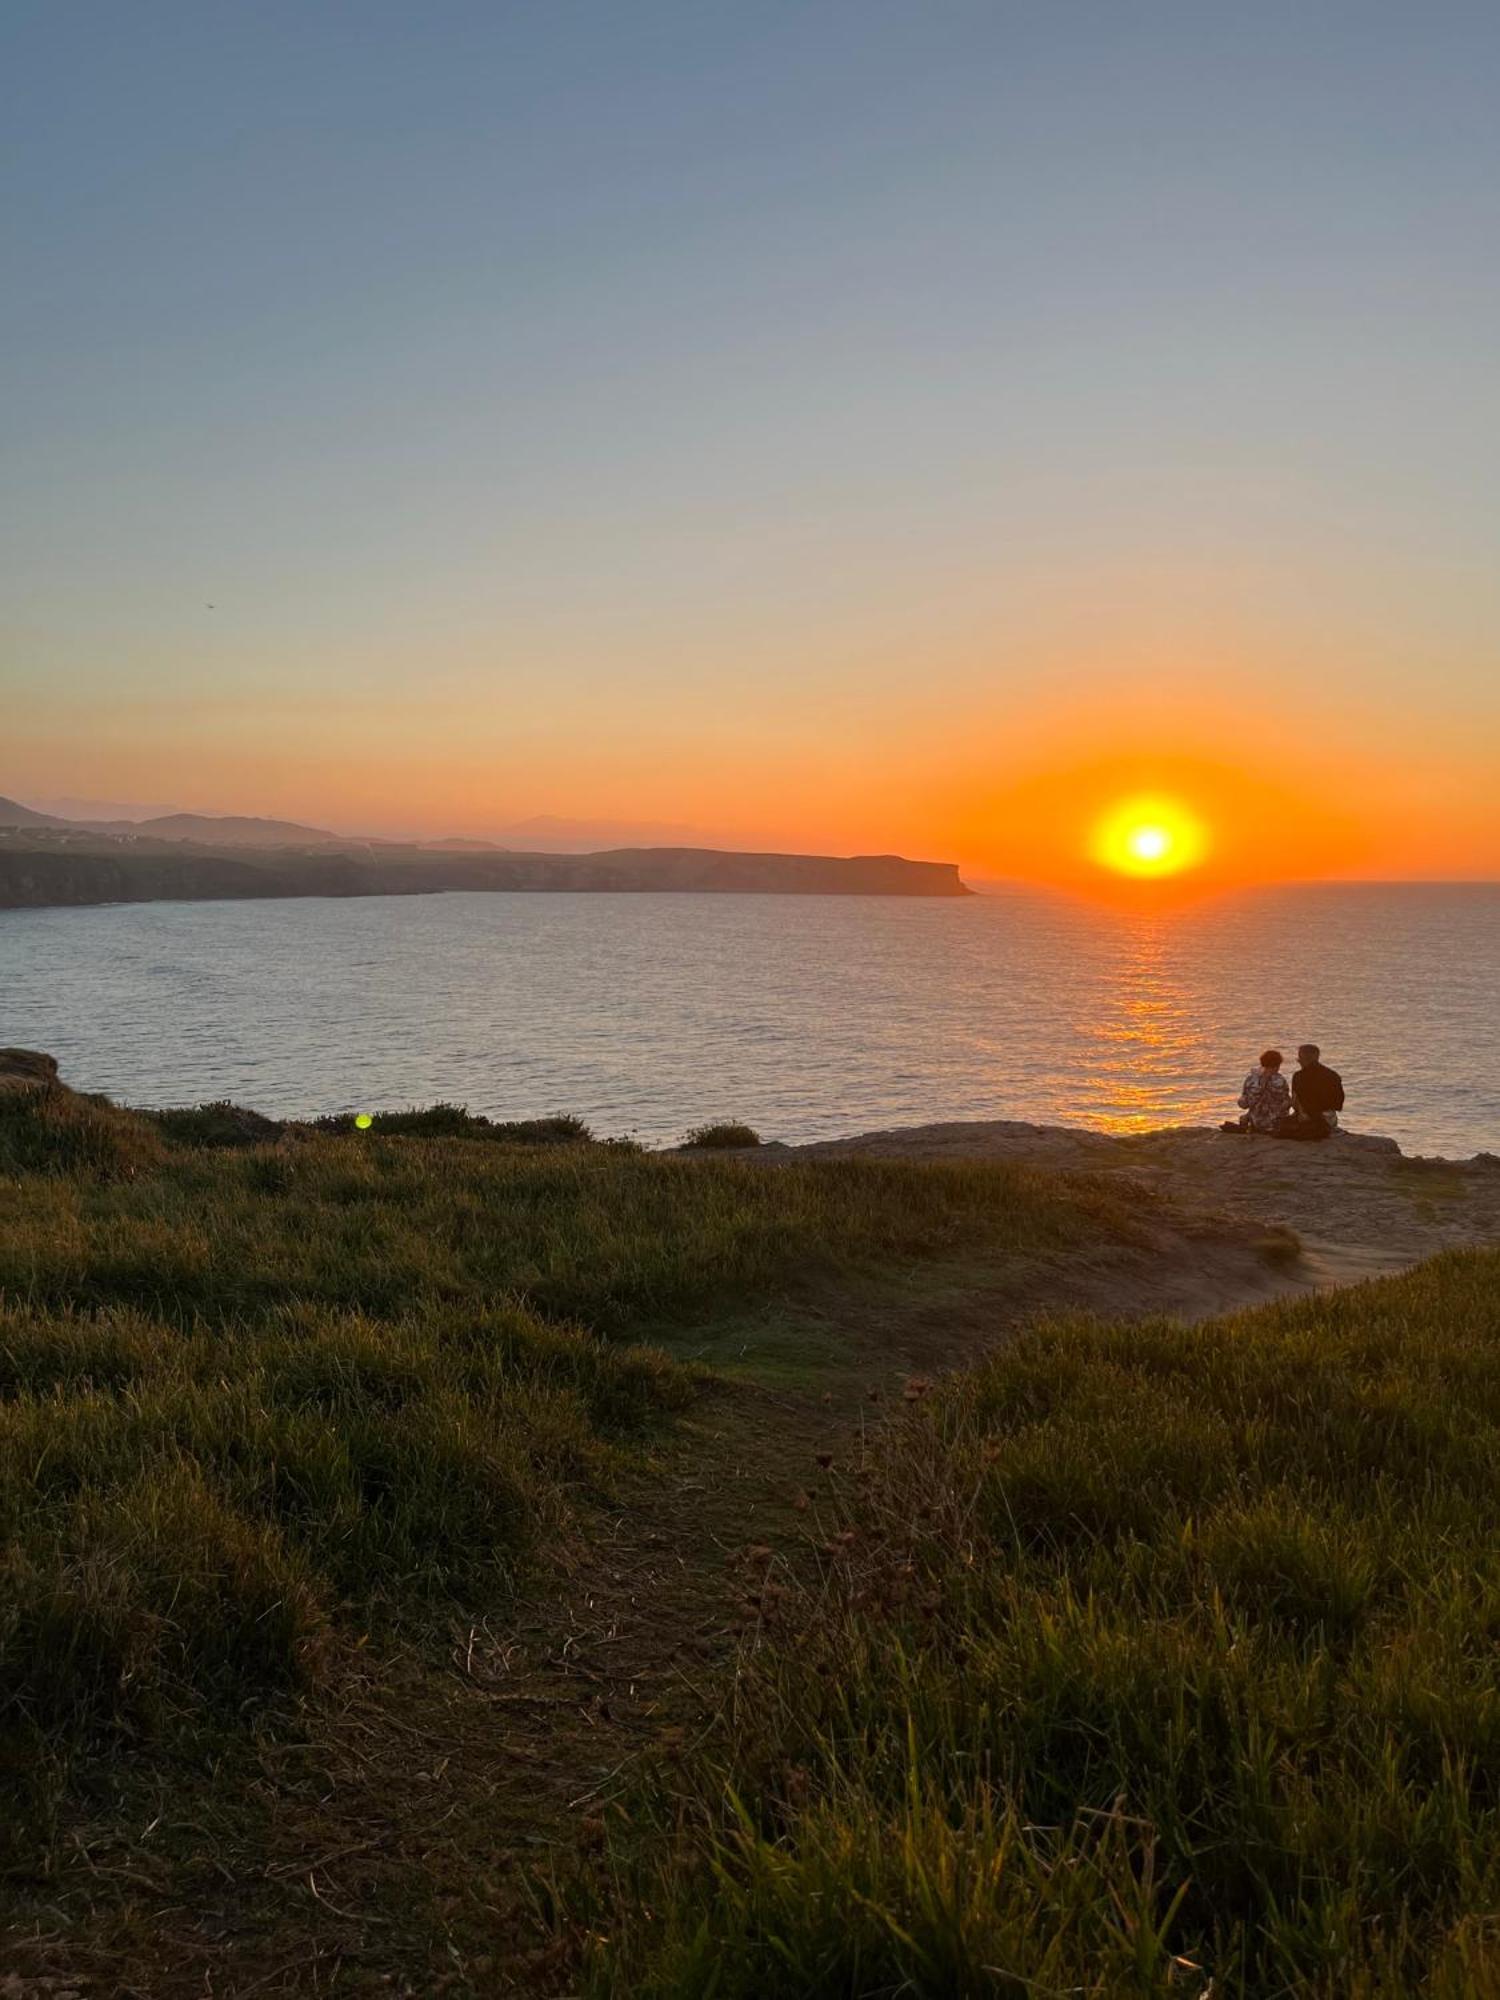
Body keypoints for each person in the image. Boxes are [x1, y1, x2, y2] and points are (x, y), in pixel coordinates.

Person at [1276, 1043, 1344, 1141]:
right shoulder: (1333, 1075)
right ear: (1317, 1057)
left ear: (1302, 1059)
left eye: (1299, 1058)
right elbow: (1338, 1104)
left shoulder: (1298, 1077)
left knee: (1281, 1126)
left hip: (1307, 1118)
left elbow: (1295, 1103)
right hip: (1329, 1119)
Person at [1221, 1049, 1291, 1134]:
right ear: (1278, 1065)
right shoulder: (1281, 1080)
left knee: (1246, 1115)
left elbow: (1243, 1104)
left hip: (1257, 1123)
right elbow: (1287, 1103)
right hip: (1275, 1125)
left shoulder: (1251, 1080)